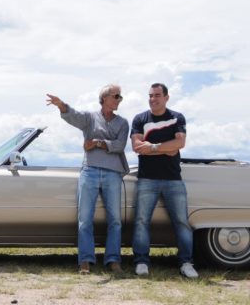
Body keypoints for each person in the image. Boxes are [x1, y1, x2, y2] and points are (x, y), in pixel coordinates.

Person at [46, 84, 129, 274]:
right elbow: (74, 116)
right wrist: (61, 105)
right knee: (84, 218)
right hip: (89, 171)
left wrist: (97, 143)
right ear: (105, 98)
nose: (119, 100)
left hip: (113, 173)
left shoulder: (123, 123)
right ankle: (85, 260)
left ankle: (113, 260)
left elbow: (120, 145)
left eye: (120, 97)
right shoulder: (90, 118)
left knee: (115, 220)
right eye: (116, 96)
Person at [130, 83, 198, 278]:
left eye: (157, 95)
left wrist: (152, 147)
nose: (153, 99)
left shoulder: (177, 117)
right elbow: (137, 147)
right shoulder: (140, 119)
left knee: (181, 222)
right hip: (147, 179)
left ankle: (186, 263)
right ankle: (141, 261)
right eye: (150, 95)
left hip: (173, 179)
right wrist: (167, 149)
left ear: (166, 97)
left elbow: (180, 143)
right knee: (141, 221)